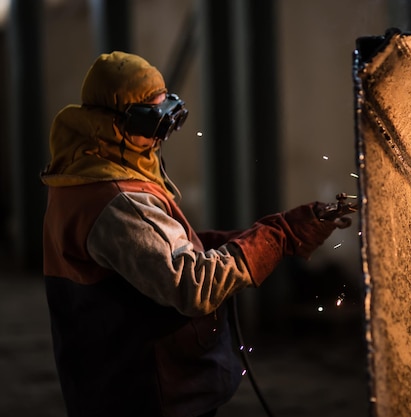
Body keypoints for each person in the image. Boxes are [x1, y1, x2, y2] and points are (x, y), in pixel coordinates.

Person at [41, 51, 353, 417]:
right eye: (151, 124)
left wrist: (255, 237)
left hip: (124, 382)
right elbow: (193, 286)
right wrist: (276, 237)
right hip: (145, 393)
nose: (159, 140)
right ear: (114, 124)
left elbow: (153, 253)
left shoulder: (87, 173)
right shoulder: (115, 199)